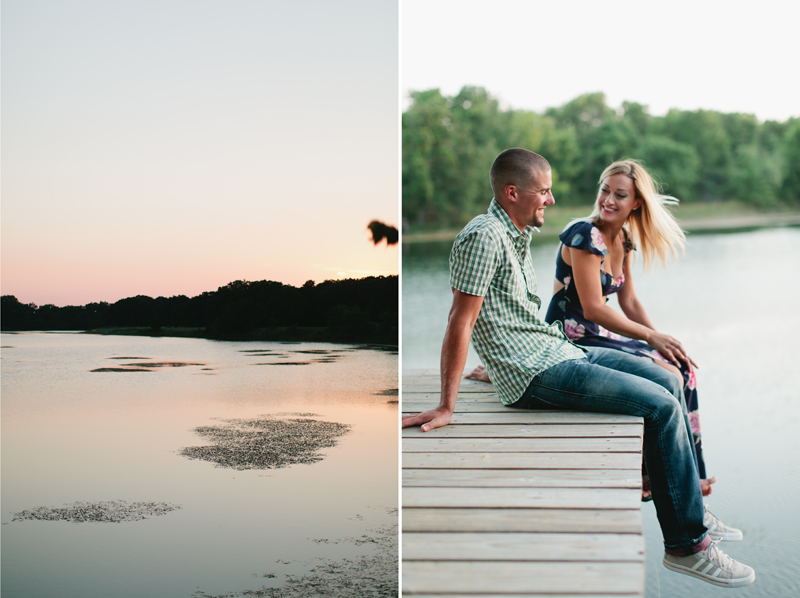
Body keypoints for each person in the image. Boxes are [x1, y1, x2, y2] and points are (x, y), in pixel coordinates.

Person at [402, 148, 755, 588]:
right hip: (533, 373)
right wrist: (446, 405)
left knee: (668, 377)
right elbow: (461, 319)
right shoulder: (485, 236)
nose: (551, 200)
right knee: (661, 407)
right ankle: (686, 545)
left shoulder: (514, 233)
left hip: (556, 349)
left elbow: (512, 315)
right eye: (544, 191)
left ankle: (687, 506)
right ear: (513, 193)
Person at [468, 160, 716, 503]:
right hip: (571, 335)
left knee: (682, 369)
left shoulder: (624, 238)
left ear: (636, 203)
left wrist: (661, 341)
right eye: (605, 190)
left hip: (599, 334)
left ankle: (692, 477)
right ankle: (651, 474)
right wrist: (650, 339)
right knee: (667, 374)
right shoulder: (585, 234)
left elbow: (628, 300)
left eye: (620, 194)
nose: (609, 200)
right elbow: (593, 308)